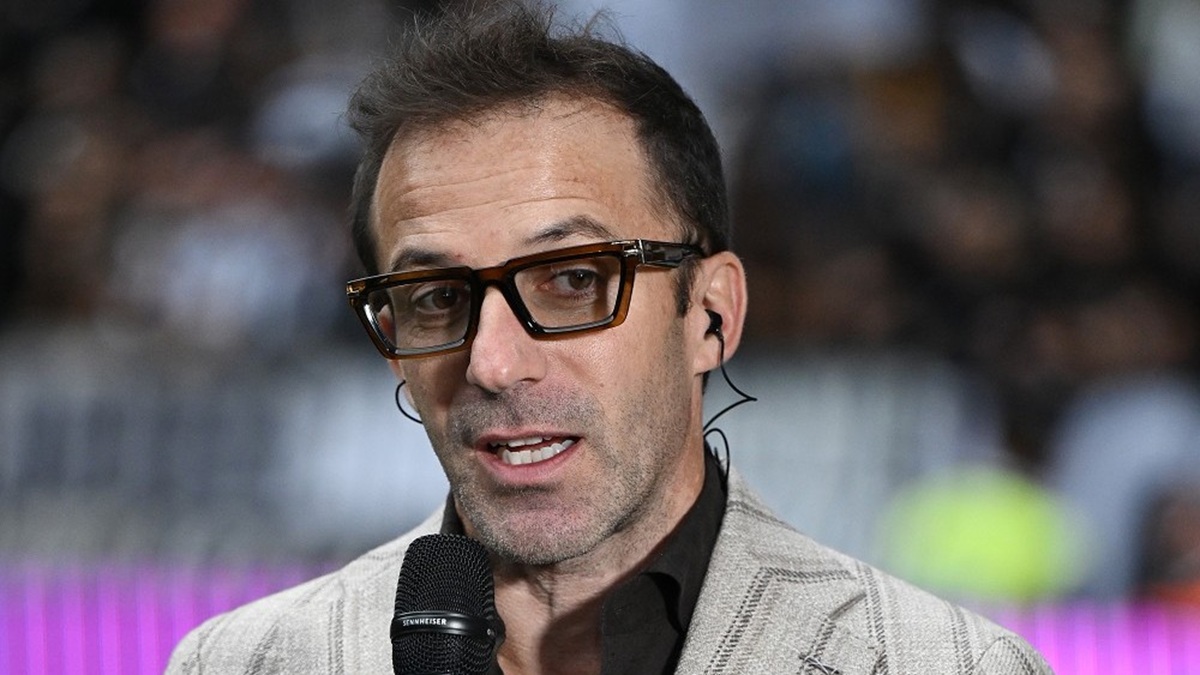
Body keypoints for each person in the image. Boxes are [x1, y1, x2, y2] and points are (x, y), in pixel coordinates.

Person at [167, 3, 1052, 673]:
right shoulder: (248, 663)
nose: (492, 362)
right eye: (436, 297)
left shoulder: (942, 665)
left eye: (572, 281)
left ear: (711, 315)